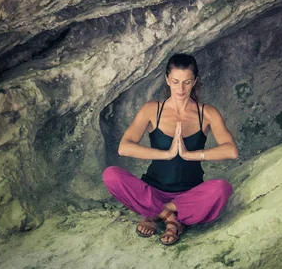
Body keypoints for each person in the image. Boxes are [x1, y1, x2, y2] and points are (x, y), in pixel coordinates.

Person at [102, 53, 238, 246]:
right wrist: (166, 154)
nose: (181, 89)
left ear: (195, 81)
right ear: (167, 80)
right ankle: (172, 219)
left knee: (222, 189)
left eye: (186, 82)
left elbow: (231, 150)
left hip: (189, 193)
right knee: (111, 175)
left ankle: (156, 212)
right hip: (153, 189)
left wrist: (189, 155)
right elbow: (124, 147)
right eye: (175, 82)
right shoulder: (152, 109)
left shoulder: (207, 113)